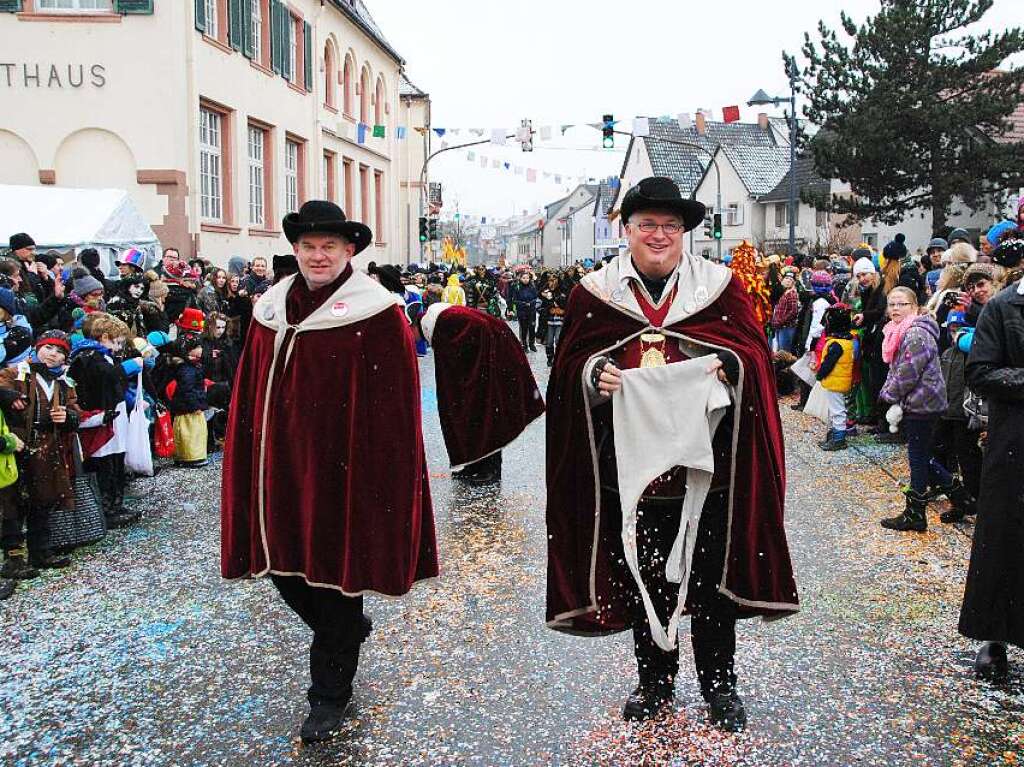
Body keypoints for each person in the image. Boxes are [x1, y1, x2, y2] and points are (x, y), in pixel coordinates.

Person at [546, 177, 798, 732]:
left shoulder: (719, 289)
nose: (659, 235)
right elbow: (566, 370)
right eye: (648, 225)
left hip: (707, 471)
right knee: (646, 583)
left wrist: (728, 367)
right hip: (631, 473)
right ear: (626, 230)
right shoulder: (595, 294)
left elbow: (754, 360)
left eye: (671, 226)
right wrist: (594, 374)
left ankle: (720, 685)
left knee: (708, 586)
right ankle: (655, 683)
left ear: (684, 233)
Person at [221, 200, 438, 744]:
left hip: (345, 475)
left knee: (337, 581)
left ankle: (328, 695)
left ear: (349, 253)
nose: (319, 256)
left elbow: (395, 409)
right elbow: (250, 388)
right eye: (310, 247)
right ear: (296, 251)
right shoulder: (270, 309)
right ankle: (343, 632)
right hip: (279, 470)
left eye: (330, 247)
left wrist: (384, 481)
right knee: (282, 571)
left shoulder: (376, 312)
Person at [958, 243, 1023, 683]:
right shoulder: (1002, 307)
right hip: (1016, 440)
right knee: (1004, 536)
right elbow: (980, 371)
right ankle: (994, 635)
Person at [406, 298, 545, 485]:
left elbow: (455, 363)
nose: (411, 339)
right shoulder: (442, 320)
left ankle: (490, 470)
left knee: (486, 414)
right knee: (472, 415)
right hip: (490, 357)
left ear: (414, 325)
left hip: (492, 362)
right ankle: (473, 464)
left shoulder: (443, 323)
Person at [0, 331, 80, 577]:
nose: (52, 354)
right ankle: (13, 558)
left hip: (48, 446)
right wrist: (10, 396)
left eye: (59, 352)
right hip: (19, 444)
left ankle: (40, 550)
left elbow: (76, 410)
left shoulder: (64, 382)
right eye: (48, 348)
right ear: (37, 349)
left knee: (43, 498)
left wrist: (68, 417)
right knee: (12, 502)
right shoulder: (17, 372)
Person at [877, 287, 950, 532]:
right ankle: (961, 497)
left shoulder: (916, 333)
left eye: (902, 304)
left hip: (923, 401)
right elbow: (896, 369)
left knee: (918, 459)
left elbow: (908, 371)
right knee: (920, 456)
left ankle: (915, 513)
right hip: (918, 400)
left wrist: (888, 394)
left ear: (915, 307)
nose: (895, 309)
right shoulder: (899, 331)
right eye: (892, 304)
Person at [68, 313, 137, 530]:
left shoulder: (102, 357)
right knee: (105, 463)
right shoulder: (88, 358)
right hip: (102, 417)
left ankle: (116, 504)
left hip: (114, 413)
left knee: (116, 460)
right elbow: (100, 382)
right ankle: (106, 508)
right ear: (105, 336)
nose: (118, 348)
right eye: (116, 342)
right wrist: (124, 369)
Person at [814, 304, 859, 451]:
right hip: (840, 380)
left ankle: (839, 437)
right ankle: (836, 433)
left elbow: (828, 364)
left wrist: (820, 375)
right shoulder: (848, 341)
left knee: (837, 409)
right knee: (837, 408)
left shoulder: (836, 344)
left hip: (835, 381)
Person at [168, 337, 209, 468]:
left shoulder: (190, 366)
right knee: (191, 433)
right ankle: (191, 456)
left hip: (189, 405)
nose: (200, 351)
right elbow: (187, 389)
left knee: (193, 432)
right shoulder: (187, 369)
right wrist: (195, 405)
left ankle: (189, 455)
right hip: (189, 407)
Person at [538, 272, 568, 366]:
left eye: (554, 280)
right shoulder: (545, 291)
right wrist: (549, 304)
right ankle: (550, 358)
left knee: (558, 340)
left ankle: (558, 358)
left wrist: (559, 307)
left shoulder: (563, 291)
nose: (552, 282)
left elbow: (566, 304)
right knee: (549, 341)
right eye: (550, 280)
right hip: (549, 320)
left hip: (560, 320)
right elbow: (541, 303)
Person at [511, 271, 538, 352]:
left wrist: (531, 303)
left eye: (527, 278)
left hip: (531, 311)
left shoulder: (532, 287)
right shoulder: (517, 287)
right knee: (524, 329)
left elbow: (536, 298)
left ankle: (532, 344)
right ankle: (524, 345)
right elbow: (515, 300)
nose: (526, 280)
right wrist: (523, 304)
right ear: (520, 278)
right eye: (524, 278)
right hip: (522, 312)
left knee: (532, 328)